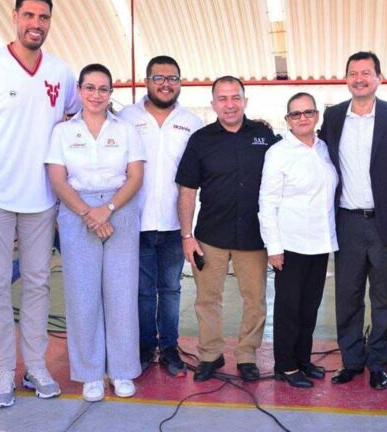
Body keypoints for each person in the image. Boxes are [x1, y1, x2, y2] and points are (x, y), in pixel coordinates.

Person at [0, 0, 80, 408]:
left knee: (39, 284)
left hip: (41, 199)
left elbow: (79, 119)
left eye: (44, 17)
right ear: (14, 17)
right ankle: (4, 370)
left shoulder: (61, 73)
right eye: (29, 15)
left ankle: (36, 366)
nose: (36, 23)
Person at [319, 51, 387, 390]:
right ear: (346, 78)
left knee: (386, 297)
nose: (359, 78)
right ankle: (352, 360)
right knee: (347, 296)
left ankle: (379, 362)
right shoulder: (333, 117)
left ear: (379, 78)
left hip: (386, 222)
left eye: (366, 72)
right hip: (346, 222)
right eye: (353, 72)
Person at [46, 63, 145, 402]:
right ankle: (89, 373)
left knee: (121, 293)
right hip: (78, 212)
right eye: (90, 88)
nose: (96, 95)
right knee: (82, 294)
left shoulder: (127, 130)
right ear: (80, 91)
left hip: (120, 208)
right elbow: (58, 179)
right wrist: (89, 213)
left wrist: (109, 209)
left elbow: (135, 176)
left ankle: (121, 370)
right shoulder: (62, 133)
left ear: (110, 93)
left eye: (103, 89)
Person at [176, 76, 276, 382]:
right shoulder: (200, 140)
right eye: (223, 98)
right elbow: (187, 190)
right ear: (213, 103)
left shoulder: (265, 137)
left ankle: (247, 355)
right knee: (207, 299)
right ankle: (210, 354)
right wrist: (187, 236)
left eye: (235, 98)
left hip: (254, 237)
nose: (229, 104)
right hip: (211, 236)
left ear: (245, 101)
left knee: (254, 299)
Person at [118, 55, 203, 376]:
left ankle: (169, 348)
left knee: (170, 289)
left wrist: (190, 229)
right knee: (141, 290)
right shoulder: (126, 118)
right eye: (159, 78)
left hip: (174, 225)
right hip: (134, 222)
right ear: (147, 81)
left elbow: (197, 179)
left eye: (172, 78)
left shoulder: (191, 122)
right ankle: (143, 347)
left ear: (180, 83)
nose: (166, 84)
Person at [258, 92, 338, 389]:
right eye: (296, 114)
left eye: (308, 112)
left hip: (319, 242)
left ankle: (303, 359)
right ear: (287, 120)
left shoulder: (323, 148)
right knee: (289, 308)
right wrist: (273, 248)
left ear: (316, 115)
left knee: (310, 306)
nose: (303, 118)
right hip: (290, 244)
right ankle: (286, 366)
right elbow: (267, 202)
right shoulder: (278, 153)